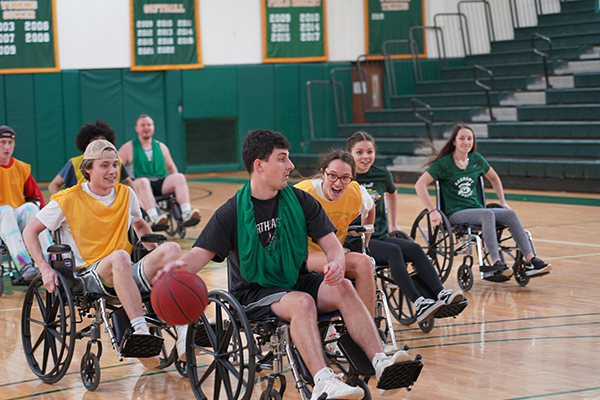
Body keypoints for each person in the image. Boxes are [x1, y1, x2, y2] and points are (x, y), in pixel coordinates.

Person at [155, 129, 414, 399]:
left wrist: (336, 263)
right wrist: (176, 270)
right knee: (302, 302)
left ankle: (381, 362)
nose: (291, 165)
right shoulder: (231, 212)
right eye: (282, 159)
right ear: (260, 165)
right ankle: (324, 381)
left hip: (295, 279)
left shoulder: (300, 201)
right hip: (254, 292)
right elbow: (199, 255)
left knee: (344, 287)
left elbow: (331, 244)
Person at [23, 140, 187, 368]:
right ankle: (140, 332)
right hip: (88, 274)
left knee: (172, 249)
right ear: (88, 169)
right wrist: (44, 268)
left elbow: (140, 227)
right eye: (104, 166)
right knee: (120, 256)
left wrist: (160, 260)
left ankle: (183, 331)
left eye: (115, 165)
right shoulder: (67, 199)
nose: (112, 171)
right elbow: (30, 231)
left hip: (124, 269)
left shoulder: (126, 194)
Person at [347, 131, 465, 324]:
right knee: (393, 251)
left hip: (380, 236)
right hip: (355, 241)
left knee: (414, 248)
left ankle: (441, 293)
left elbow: (392, 194)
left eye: (369, 151)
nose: (365, 156)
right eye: (359, 152)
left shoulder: (382, 174)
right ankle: (419, 302)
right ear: (350, 154)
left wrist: (393, 223)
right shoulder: (345, 177)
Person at [414, 123, 552, 279]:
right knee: (487, 214)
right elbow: (420, 184)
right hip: (455, 213)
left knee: (510, 214)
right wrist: (432, 210)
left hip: (477, 210)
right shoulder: (444, 164)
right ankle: (496, 262)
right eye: (462, 138)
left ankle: (530, 260)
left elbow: (494, 178)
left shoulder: (476, 159)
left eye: (469, 138)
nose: (466, 142)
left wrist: (503, 201)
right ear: (454, 142)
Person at [295, 150, 377, 318]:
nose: (338, 183)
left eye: (345, 178)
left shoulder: (356, 193)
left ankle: (370, 325)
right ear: (323, 173)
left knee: (365, 262)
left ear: (352, 178)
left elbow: (370, 208)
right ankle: (336, 319)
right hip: (303, 255)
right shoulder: (301, 194)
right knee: (337, 265)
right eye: (332, 175)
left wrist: (367, 239)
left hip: (333, 253)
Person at [118, 114, 200, 229]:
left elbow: (171, 168)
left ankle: (186, 214)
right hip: (139, 185)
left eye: (149, 125)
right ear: (137, 128)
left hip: (159, 183)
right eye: (143, 125)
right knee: (143, 181)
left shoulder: (161, 147)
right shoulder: (128, 148)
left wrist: (176, 190)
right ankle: (155, 217)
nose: (146, 128)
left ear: (153, 127)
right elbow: (117, 167)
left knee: (179, 177)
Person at [0, 125, 52, 282]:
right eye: (2, 142)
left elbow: (36, 197)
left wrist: (48, 221)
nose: (7, 147)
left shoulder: (21, 167)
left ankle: (50, 261)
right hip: (3, 215)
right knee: (6, 209)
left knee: (31, 207)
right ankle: (24, 265)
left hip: (13, 219)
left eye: (10, 142)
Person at [47, 120, 135, 195]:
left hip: (110, 205)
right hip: (83, 206)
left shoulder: (115, 161)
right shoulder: (74, 163)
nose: (100, 142)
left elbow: (128, 181)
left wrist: (137, 202)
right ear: (86, 145)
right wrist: (61, 201)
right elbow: (53, 185)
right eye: (95, 139)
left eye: (103, 139)